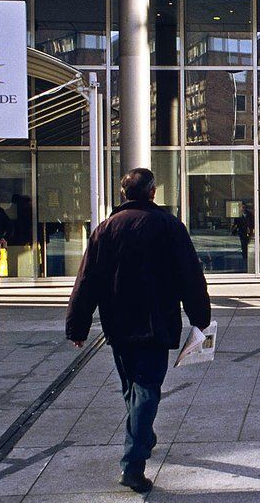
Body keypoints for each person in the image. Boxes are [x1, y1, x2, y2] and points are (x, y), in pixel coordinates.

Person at [66, 168, 211, 495]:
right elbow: (190, 274)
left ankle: (143, 434)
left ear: (123, 194)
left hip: (117, 324)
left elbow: (87, 280)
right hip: (155, 322)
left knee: (133, 386)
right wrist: (200, 317)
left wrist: (78, 325)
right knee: (145, 388)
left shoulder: (106, 229)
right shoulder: (169, 226)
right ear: (152, 193)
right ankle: (133, 463)